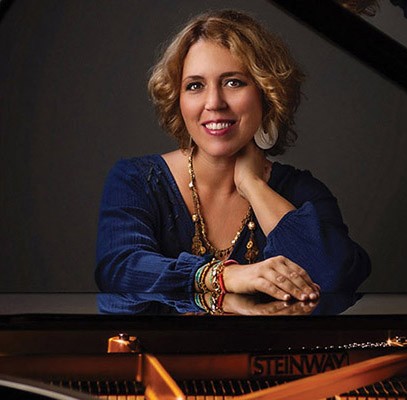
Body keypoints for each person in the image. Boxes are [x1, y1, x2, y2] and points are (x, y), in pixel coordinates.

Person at [95, 9, 370, 313]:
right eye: (195, 85)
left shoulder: (300, 191)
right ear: (178, 98)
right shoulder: (135, 180)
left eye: (233, 82)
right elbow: (119, 269)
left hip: (265, 359)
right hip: (161, 355)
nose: (214, 103)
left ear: (267, 94)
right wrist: (226, 275)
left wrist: (252, 185)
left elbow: (336, 276)